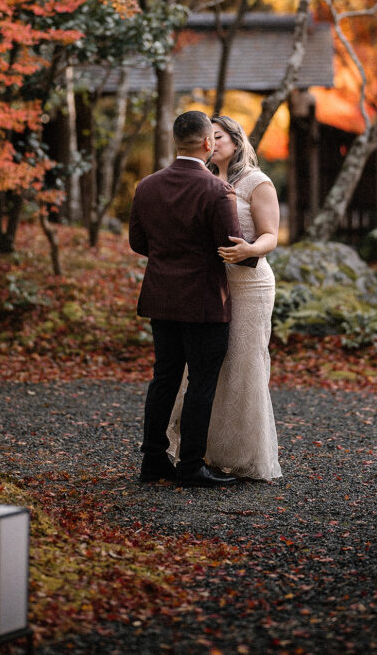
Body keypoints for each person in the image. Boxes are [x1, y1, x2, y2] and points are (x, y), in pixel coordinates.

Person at [129, 109, 257, 488]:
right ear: (206, 143)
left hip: (161, 299)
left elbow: (139, 243)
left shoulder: (147, 186)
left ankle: (153, 461)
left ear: (175, 140)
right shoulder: (218, 191)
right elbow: (229, 246)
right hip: (204, 301)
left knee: (164, 378)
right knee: (201, 382)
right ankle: (190, 466)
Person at [168, 114, 282, 482]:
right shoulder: (199, 180)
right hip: (209, 284)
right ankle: (204, 451)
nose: (213, 142)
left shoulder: (256, 182)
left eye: (219, 137)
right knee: (205, 368)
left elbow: (271, 235)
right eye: (209, 137)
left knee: (243, 363)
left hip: (249, 284)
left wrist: (250, 248)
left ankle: (244, 454)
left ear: (236, 139)